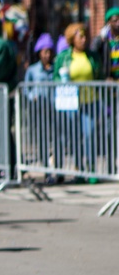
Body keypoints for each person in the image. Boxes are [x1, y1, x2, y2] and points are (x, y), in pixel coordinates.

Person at [53, 22, 101, 178]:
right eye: (80, 36)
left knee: (90, 134)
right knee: (75, 136)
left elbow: (98, 76)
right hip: (71, 103)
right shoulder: (63, 57)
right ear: (72, 38)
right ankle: (79, 168)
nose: (84, 39)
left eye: (85, 36)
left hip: (90, 101)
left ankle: (91, 167)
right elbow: (55, 78)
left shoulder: (92, 56)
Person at [22, 33, 55, 171]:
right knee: (41, 136)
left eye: (49, 52)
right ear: (40, 52)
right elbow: (26, 88)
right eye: (45, 51)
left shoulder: (55, 68)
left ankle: (55, 164)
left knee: (54, 135)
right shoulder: (32, 70)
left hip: (52, 108)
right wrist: (32, 96)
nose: (47, 55)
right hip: (38, 109)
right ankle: (44, 165)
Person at [89, 6, 119, 80]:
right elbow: (93, 56)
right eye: (115, 21)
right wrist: (104, 77)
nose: (118, 23)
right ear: (109, 22)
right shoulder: (103, 39)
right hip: (109, 81)